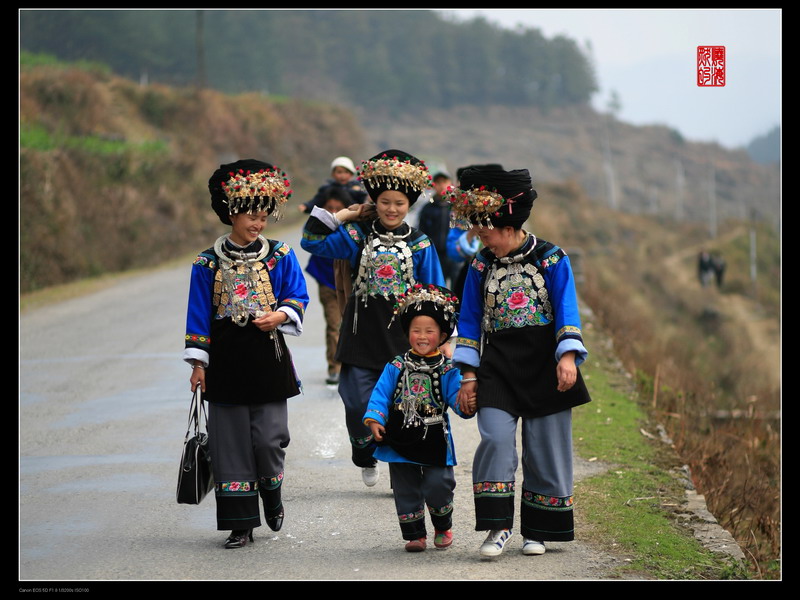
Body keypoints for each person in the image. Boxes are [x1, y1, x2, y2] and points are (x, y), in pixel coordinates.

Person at [449, 166, 592, 558]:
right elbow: (469, 320)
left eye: (484, 228)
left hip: (545, 366)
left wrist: (567, 357)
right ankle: (497, 527)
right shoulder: (480, 265)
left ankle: (539, 529)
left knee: (544, 448)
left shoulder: (552, 258)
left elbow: (566, 310)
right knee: (495, 438)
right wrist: (468, 374)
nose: (479, 236)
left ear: (506, 223)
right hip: (497, 368)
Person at [300, 149, 446, 488]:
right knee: (355, 404)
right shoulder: (357, 236)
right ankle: (365, 452)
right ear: (374, 202)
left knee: (402, 406)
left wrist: (440, 339)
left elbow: (436, 292)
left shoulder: (421, 245)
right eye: (384, 202)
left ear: (409, 205)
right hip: (360, 335)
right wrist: (344, 216)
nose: (392, 209)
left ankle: (399, 465)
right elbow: (311, 242)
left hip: (403, 340)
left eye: (399, 203)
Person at [184, 159, 309, 549]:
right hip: (225, 361)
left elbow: (297, 295)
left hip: (268, 358)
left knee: (270, 439)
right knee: (230, 445)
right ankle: (241, 524)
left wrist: (281, 315)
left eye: (263, 217)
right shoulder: (206, 262)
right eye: (251, 216)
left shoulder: (280, 254)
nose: (258, 224)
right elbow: (198, 315)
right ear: (231, 213)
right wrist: (198, 365)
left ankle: (272, 490)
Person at [363, 284, 474, 552]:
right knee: (405, 487)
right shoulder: (396, 365)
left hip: (434, 437)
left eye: (429, 331)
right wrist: (375, 419)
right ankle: (415, 535)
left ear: (443, 336)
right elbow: (381, 394)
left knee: (439, 484)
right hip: (398, 436)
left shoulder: (448, 369)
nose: (422, 337)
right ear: (407, 333)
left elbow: (456, 400)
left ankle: (442, 525)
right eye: (416, 330)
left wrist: (466, 404)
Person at [304, 186, 353, 385]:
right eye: (329, 208)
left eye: (338, 208)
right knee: (334, 325)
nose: (333, 212)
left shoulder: (351, 228)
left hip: (349, 284)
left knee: (349, 325)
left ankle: (352, 366)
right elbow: (309, 241)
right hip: (327, 283)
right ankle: (335, 368)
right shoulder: (318, 227)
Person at [417, 171, 459, 287]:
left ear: (451, 184)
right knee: (437, 287)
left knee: (458, 287)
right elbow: (422, 232)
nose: (441, 185)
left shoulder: (457, 207)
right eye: (438, 182)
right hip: (436, 255)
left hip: (456, 254)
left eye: (444, 182)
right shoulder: (428, 208)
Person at [298, 155, 368, 213]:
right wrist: (306, 206)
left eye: (346, 172)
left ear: (351, 174)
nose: (342, 176)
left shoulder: (356, 188)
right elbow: (317, 201)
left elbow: (365, 200)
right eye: (339, 172)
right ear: (333, 174)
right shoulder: (327, 189)